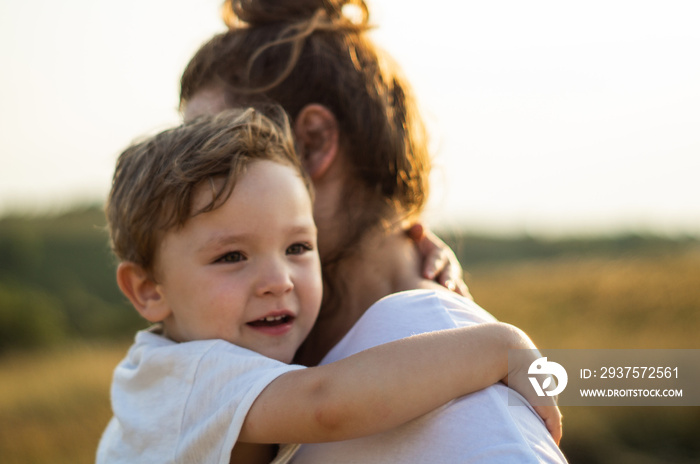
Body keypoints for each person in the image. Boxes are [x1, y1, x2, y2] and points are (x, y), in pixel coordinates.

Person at [179, 2, 568, 462]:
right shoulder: (284, 374)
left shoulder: (477, 426)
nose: (186, 199)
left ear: (313, 144)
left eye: (214, 160)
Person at [96, 108, 559, 464]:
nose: (278, 281)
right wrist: (503, 345)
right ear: (148, 290)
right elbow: (327, 404)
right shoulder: (185, 376)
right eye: (232, 256)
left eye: (297, 247)